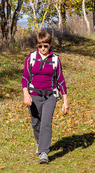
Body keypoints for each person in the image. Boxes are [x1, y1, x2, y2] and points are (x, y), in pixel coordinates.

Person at [22, 31, 69, 164]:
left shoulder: (55, 59)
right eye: (40, 46)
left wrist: (65, 101)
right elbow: (25, 77)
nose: (43, 49)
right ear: (37, 46)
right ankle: (40, 143)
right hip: (34, 95)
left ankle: (43, 152)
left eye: (45, 46)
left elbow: (61, 80)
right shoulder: (30, 58)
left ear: (50, 45)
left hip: (50, 96)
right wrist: (26, 94)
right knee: (36, 122)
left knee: (46, 123)